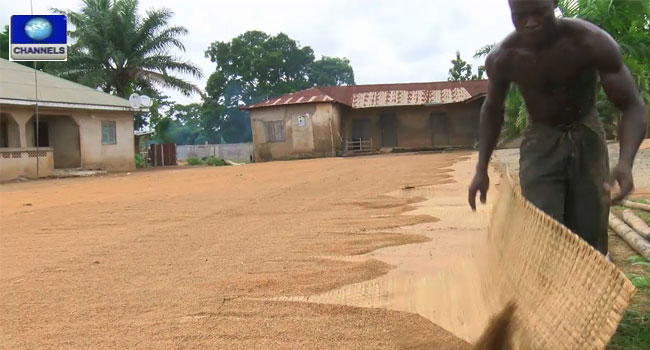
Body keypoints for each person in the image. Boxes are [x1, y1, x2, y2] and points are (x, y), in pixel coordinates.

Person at [468, 0, 647, 255]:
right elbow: (492, 110)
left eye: (538, 12)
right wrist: (481, 169)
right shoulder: (504, 58)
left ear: (554, 3)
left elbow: (632, 105)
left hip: (586, 129)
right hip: (540, 137)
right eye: (520, 16)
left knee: (590, 231)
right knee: (543, 228)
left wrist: (626, 162)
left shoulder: (590, 42)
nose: (530, 22)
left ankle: (592, 286)